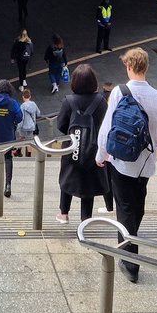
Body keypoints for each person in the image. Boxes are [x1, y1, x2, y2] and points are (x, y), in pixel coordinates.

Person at [95, 48, 157, 283]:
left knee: (125, 208)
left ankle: (130, 261)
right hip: (145, 164)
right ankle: (130, 243)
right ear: (146, 67)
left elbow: (107, 128)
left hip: (119, 162)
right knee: (136, 207)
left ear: (129, 66)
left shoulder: (119, 92)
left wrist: (101, 154)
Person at [55, 63, 109, 223]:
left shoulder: (68, 101)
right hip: (93, 148)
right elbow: (105, 124)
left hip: (71, 147)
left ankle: (64, 213)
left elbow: (61, 125)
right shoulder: (100, 101)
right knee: (88, 185)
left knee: (67, 178)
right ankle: (85, 219)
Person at [17, 87, 40, 153]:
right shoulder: (34, 104)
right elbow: (38, 113)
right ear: (30, 96)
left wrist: (18, 128)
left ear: (23, 97)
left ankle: (18, 151)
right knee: (29, 140)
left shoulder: (22, 106)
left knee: (22, 138)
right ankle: (28, 155)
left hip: (24, 127)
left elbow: (22, 118)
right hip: (32, 126)